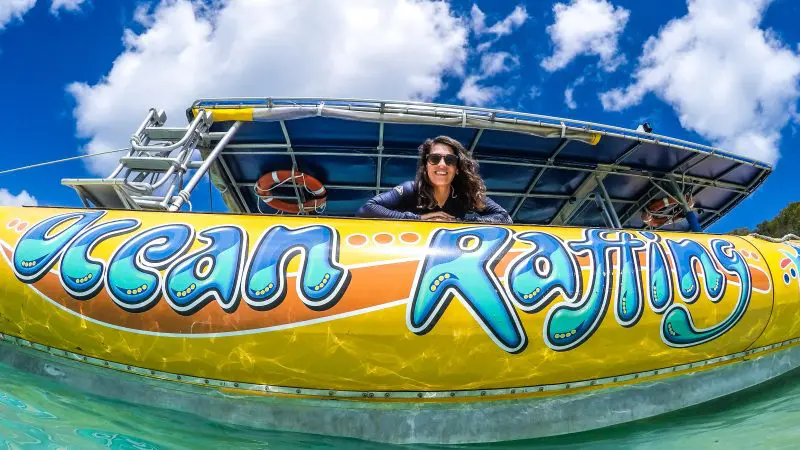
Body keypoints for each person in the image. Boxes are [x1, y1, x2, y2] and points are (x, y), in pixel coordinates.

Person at [357, 135, 512, 224]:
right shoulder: (411, 189)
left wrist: (461, 222)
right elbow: (367, 209)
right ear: (426, 165)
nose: (442, 164)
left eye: (450, 160)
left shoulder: (466, 194)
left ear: (457, 168)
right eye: (434, 158)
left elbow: (505, 217)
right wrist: (418, 218)